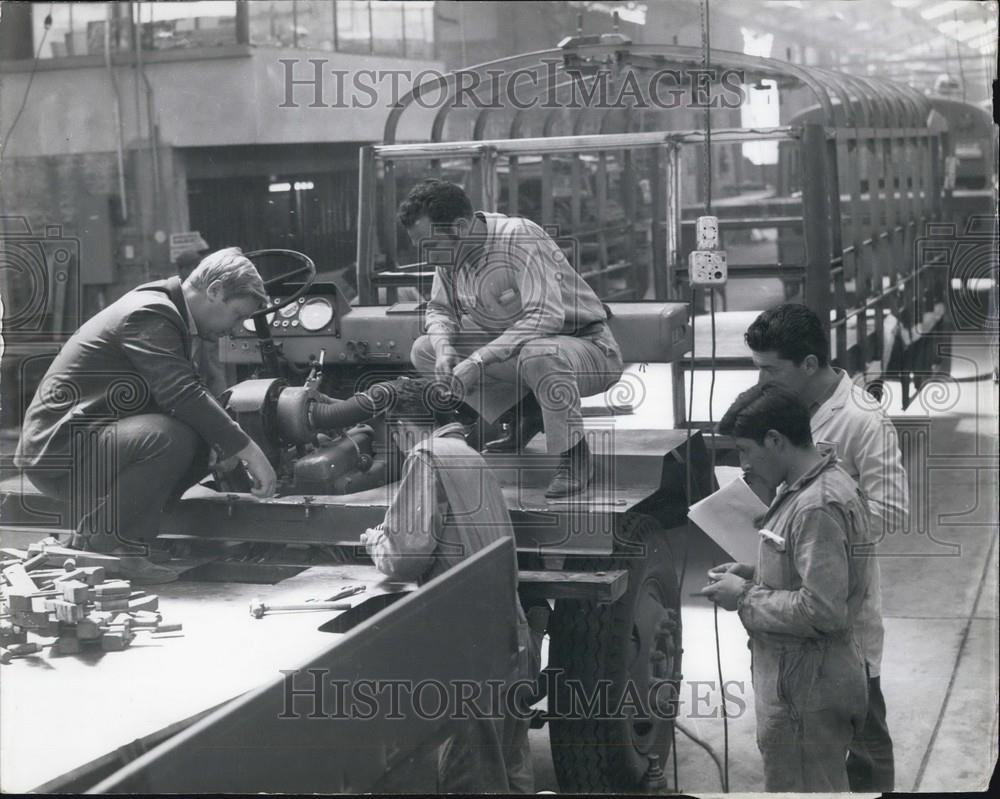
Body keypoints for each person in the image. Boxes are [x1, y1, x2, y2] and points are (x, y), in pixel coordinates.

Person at [14, 247, 277, 584]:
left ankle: (121, 539)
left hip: (90, 443)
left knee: (198, 436)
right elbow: (181, 393)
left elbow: (186, 395)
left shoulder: (173, 314)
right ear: (214, 291)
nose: (236, 328)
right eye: (238, 315)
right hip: (59, 454)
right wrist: (248, 449)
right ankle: (105, 546)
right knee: (168, 437)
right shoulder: (150, 312)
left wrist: (222, 441)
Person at [744, 302, 906, 791]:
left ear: (809, 365)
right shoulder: (779, 407)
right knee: (798, 729)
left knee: (863, 734)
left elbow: (892, 510)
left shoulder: (862, 420)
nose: (761, 382)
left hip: (840, 605)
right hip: (786, 602)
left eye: (771, 369)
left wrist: (816, 524)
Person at [361, 378, 546, 793]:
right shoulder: (468, 455)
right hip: (509, 639)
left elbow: (404, 558)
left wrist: (374, 540)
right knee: (511, 766)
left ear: (403, 426)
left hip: (467, 653)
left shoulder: (427, 457)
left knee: (469, 778)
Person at [398, 179, 624, 497]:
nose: (429, 258)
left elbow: (546, 317)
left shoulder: (518, 237)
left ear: (460, 227)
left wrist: (478, 359)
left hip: (586, 347)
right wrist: (444, 346)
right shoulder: (450, 256)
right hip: (518, 354)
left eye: (431, 247)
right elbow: (438, 310)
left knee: (539, 353)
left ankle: (574, 456)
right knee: (424, 350)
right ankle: (525, 415)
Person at [701, 384, 871, 792]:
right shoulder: (816, 484)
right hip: (808, 680)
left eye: (745, 450)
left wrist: (743, 596)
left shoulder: (816, 506)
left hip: (806, 689)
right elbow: (812, 572)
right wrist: (755, 573)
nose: (742, 464)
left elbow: (823, 610)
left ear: (775, 440)